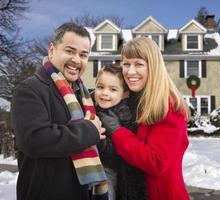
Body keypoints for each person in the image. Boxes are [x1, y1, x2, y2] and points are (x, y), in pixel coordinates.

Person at [11, 22, 108, 200]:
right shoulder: (30, 89)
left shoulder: (83, 95)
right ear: (52, 50)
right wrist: (89, 130)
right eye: (70, 51)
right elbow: (33, 139)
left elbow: (95, 141)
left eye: (83, 55)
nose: (77, 60)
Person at [100, 37, 190, 200]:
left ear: (153, 67)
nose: (130, 71)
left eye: (139, 64)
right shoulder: (132, 99)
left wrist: (116, 131)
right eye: (126, 64)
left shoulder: (168, 106)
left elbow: (156, 162)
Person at [94, 64, 147, 200]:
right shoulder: (93, 106)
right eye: (100, 87)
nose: (105, 93)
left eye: (112, 89)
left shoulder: (124, 116)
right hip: (90, 164)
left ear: (124, 94)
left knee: (106, 193)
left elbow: (117, 152)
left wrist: (98, 138)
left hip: (109, 167)